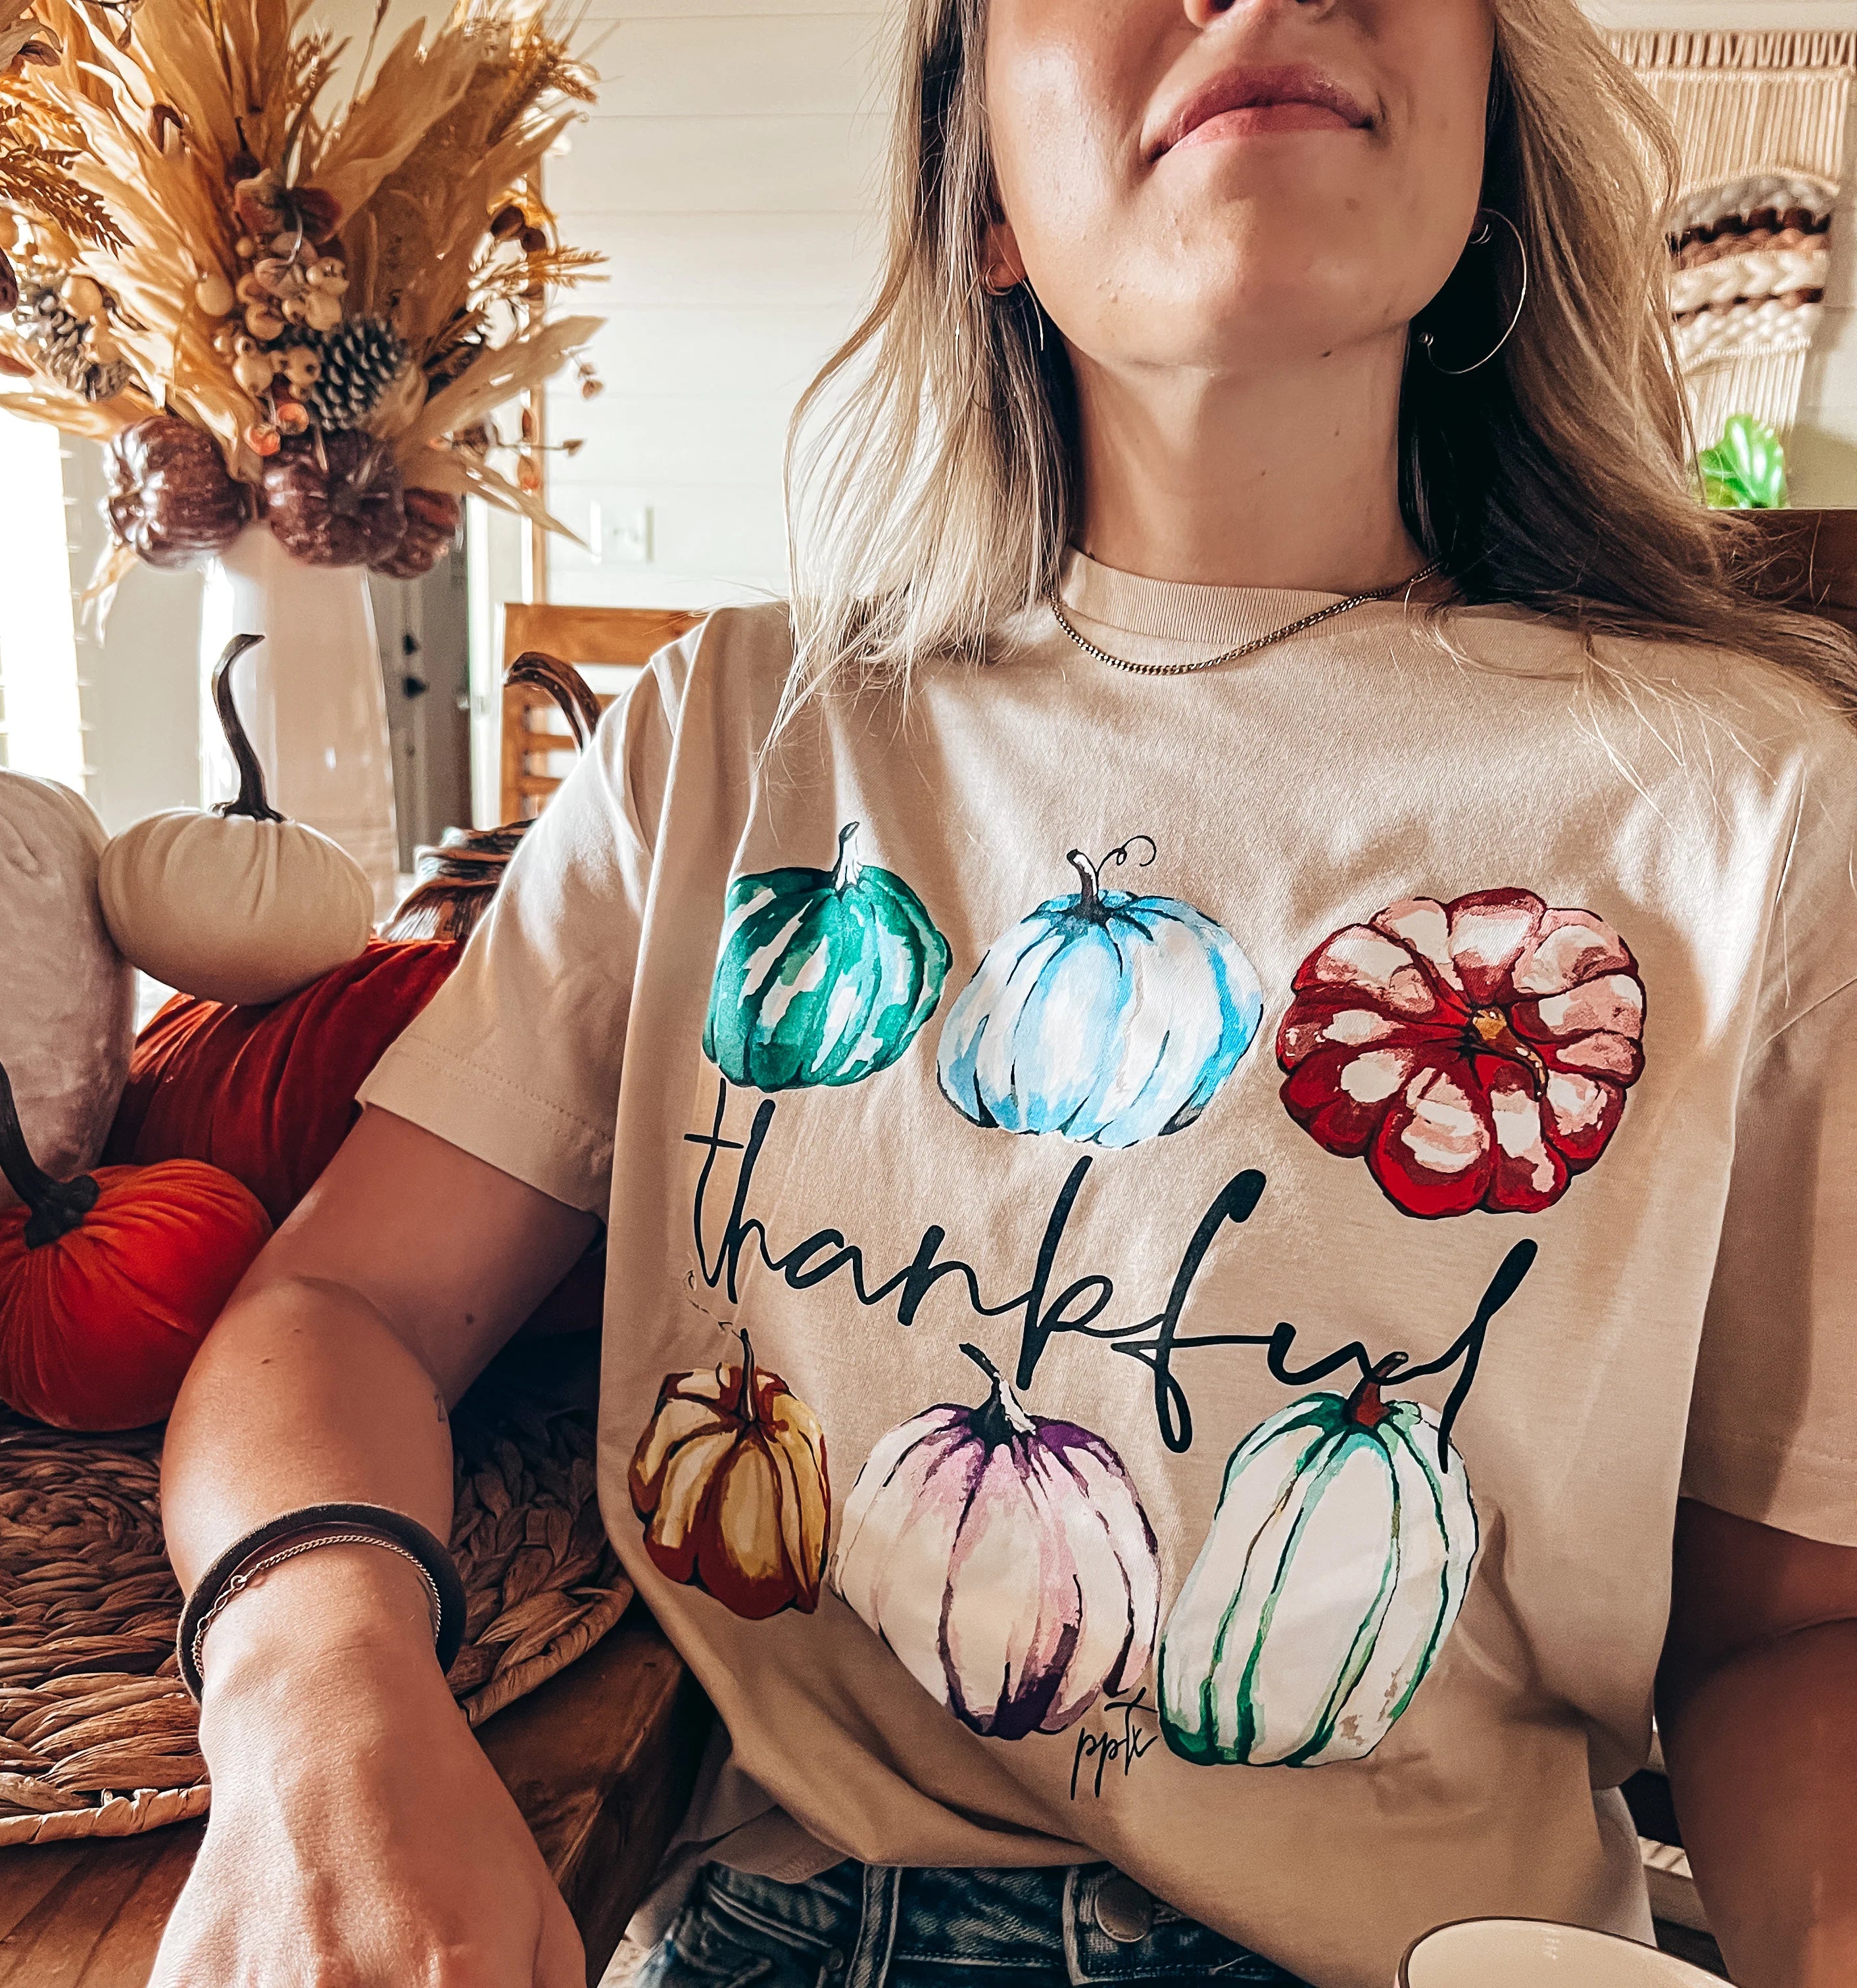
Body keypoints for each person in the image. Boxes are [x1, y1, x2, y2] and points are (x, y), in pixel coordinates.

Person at [147, 2, 1857, 1985]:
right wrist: (315, 1701)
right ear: (984, 211)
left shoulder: (1766, 806)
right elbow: (339, 1307)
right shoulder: (728, 739)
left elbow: (1794, 1631)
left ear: (1485, 148)